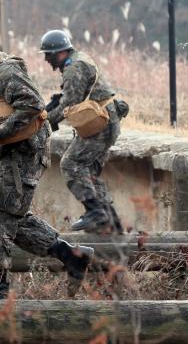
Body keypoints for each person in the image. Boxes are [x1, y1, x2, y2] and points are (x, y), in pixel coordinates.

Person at [0, 11, 94, 299]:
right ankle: (73, 257)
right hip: (9, 152)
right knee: (15, 217)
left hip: (24, 153)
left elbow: (33, 106)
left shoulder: (3, 69)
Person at [39, 29, 127, 234]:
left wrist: (44, 120)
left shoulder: (73, 68)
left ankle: (96, 213)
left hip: (101, 124)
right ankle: (111, 223)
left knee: (71, 163)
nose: (46, 60)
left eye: (47, 55)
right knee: (89, 171)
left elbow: (69, 105)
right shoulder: (78, 60)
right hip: (107, 121)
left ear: (58, 53)